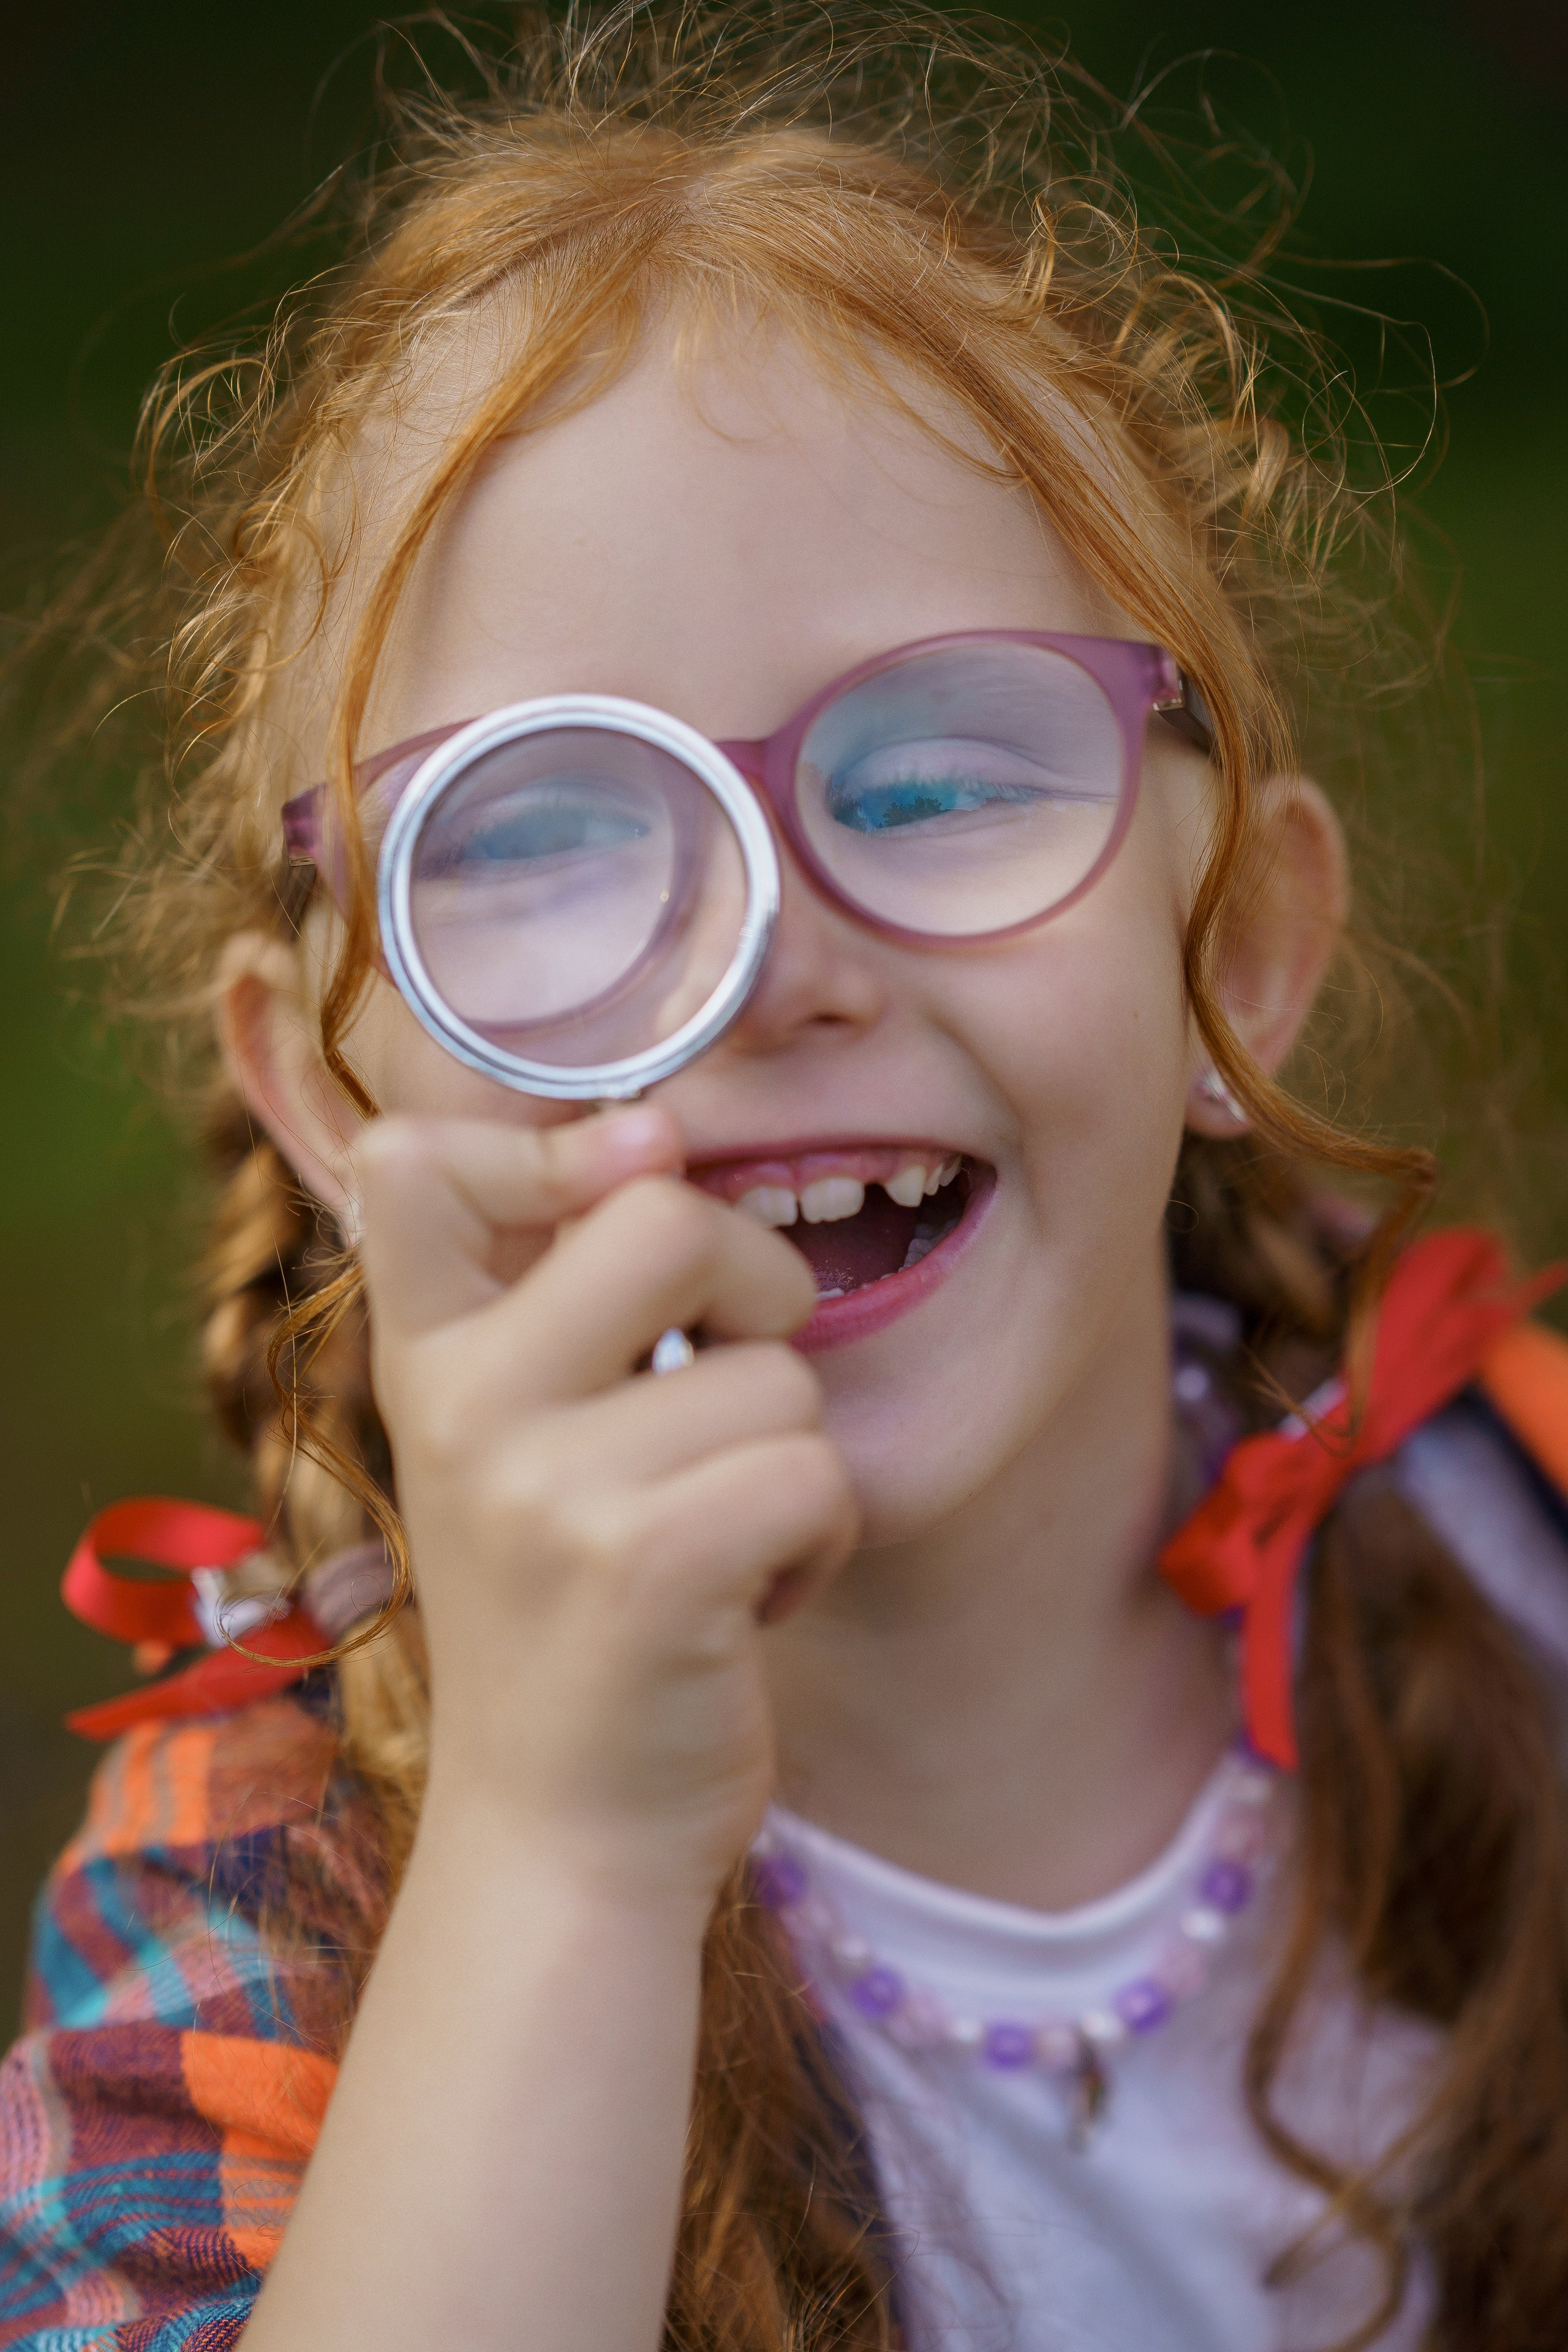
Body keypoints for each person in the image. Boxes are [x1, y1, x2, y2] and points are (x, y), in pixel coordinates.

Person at [5, 6, 1568, 2347]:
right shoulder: (260, 1902)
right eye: (535, 830)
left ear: (1234, 942)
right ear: (334, 1100)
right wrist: (560, 1853)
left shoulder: (1513, 1519)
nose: (770, 967)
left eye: (941, 777)